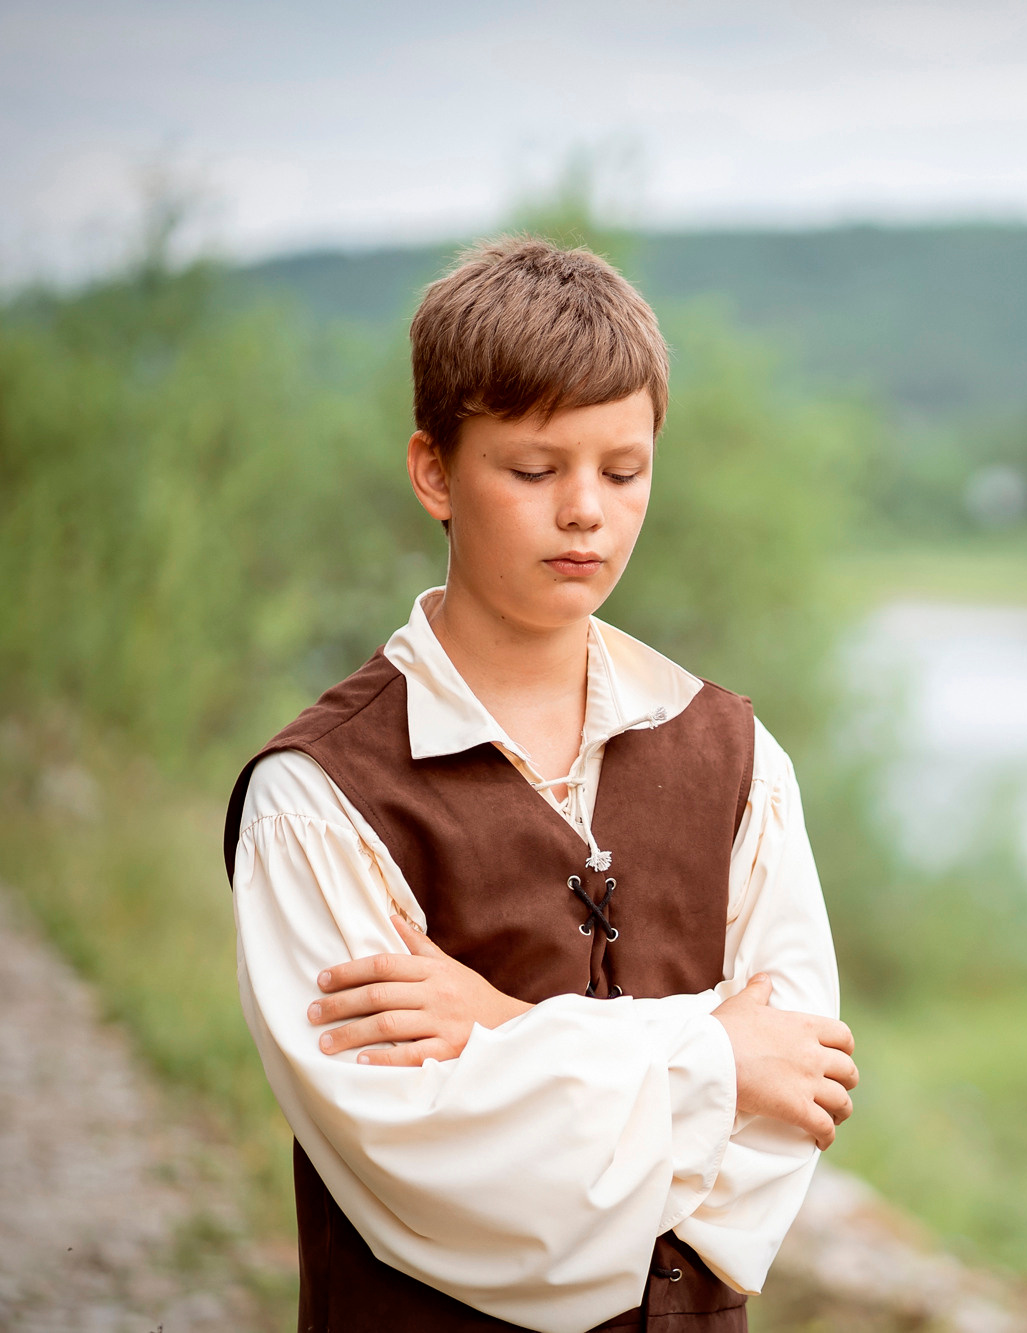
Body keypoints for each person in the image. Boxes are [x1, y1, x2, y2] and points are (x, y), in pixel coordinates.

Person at [224, 237, 855, 1333]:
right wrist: (710, 1062)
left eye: (623, 470)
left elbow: (792, 1098)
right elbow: (426, 1166)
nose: (585, 512)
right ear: (435, 472)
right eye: (533, 469)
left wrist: (500, 1026)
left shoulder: (736, 756)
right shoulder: (317, 797)